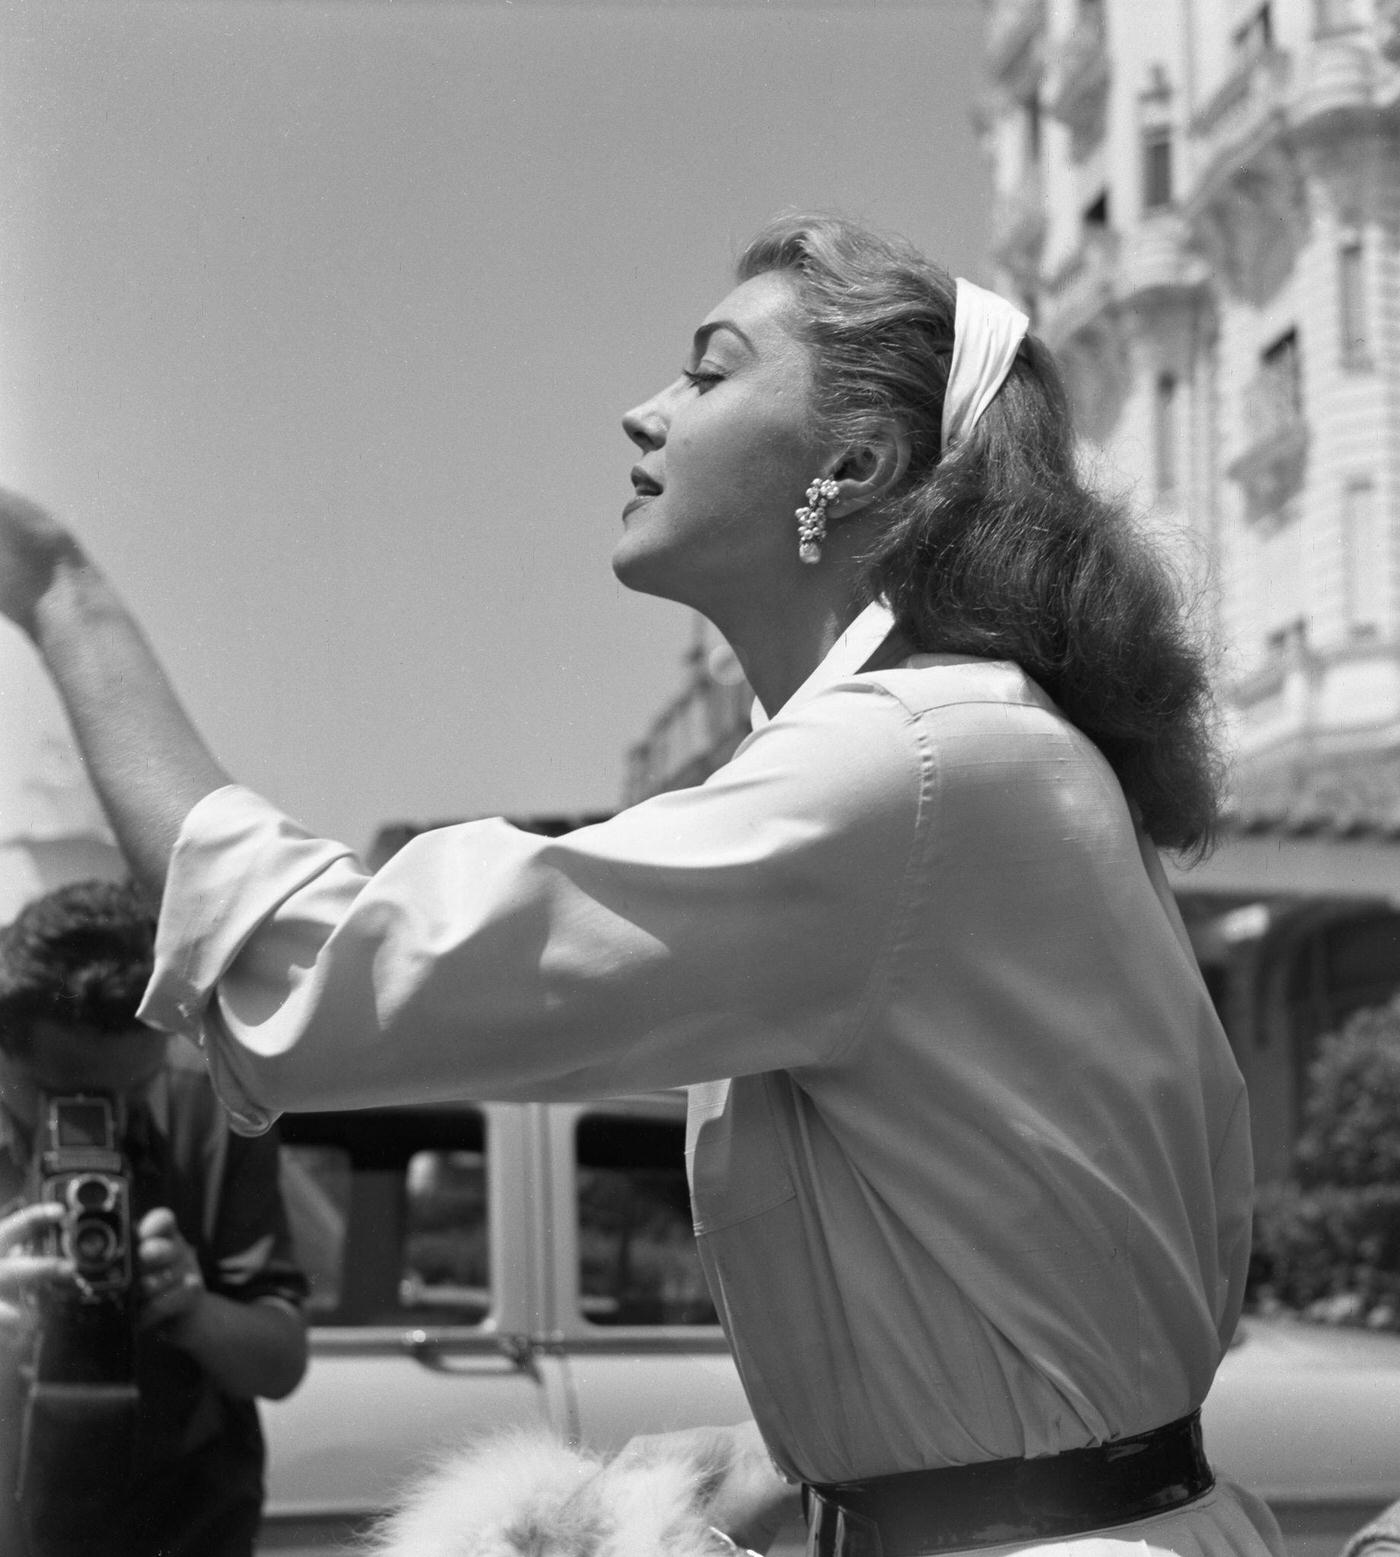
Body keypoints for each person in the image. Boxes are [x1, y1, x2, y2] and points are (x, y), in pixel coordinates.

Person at [0, 213, 1282, 1557]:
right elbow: (1053, 1298)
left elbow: (330, 969)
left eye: (711, 371)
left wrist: (60, 591)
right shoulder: (976, 751)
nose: (642, 411)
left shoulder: (906, 760)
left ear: (853, 463)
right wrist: (804, 1460)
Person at [0, 880, 308, 1557]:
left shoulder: (214, 1109)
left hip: (182, 1523)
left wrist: (195, 1310)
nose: (104, 1122)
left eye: (133, 1090)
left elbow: (280, 1360)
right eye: (69, 1095)